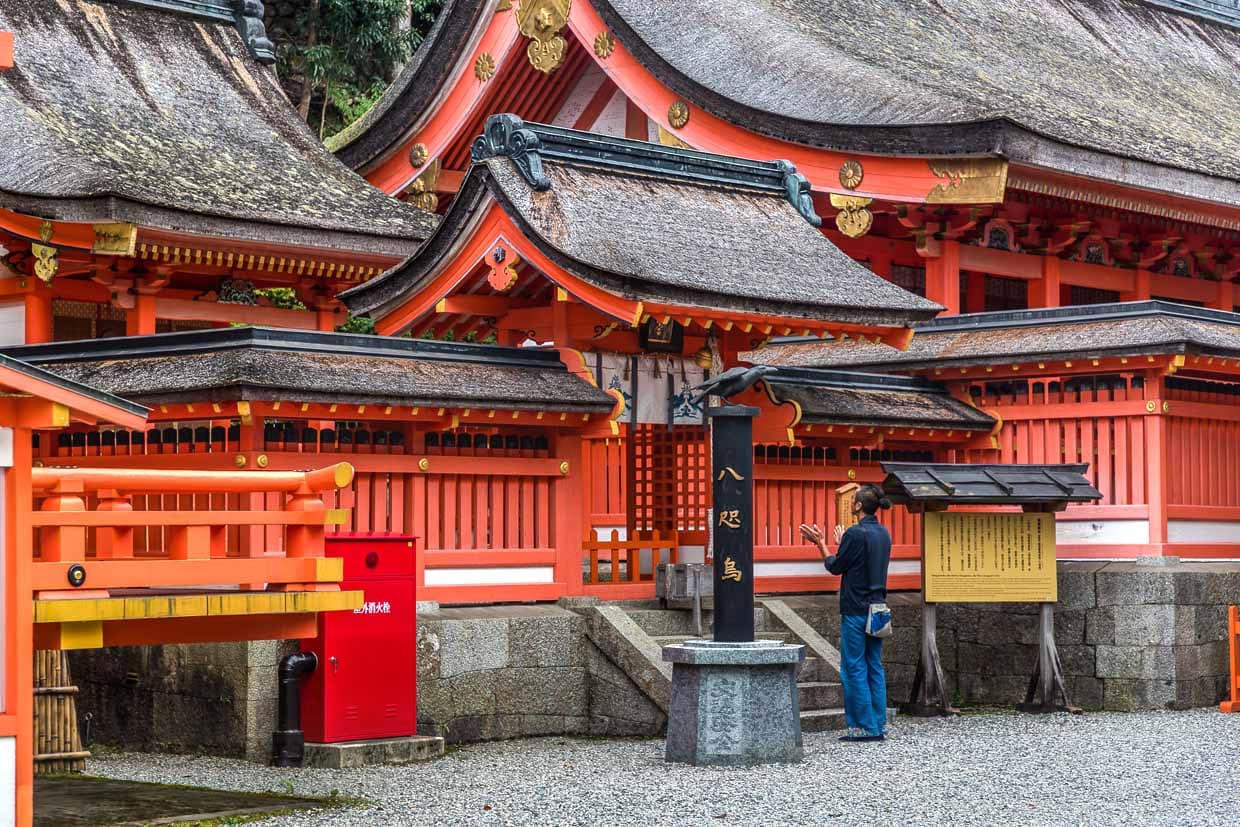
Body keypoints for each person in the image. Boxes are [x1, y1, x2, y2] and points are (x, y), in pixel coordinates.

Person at [799, 484, 892, 742]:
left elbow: (836, 566)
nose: (851, 503)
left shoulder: (854, 534)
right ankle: (878, 722)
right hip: (879, 607)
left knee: (853, 666)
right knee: (874, 665)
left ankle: (864, 727)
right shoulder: (884, 534)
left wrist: (820, 544)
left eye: (853, 499)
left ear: (859, 505)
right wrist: (844, 545)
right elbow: (863, 560)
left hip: (856, 609)